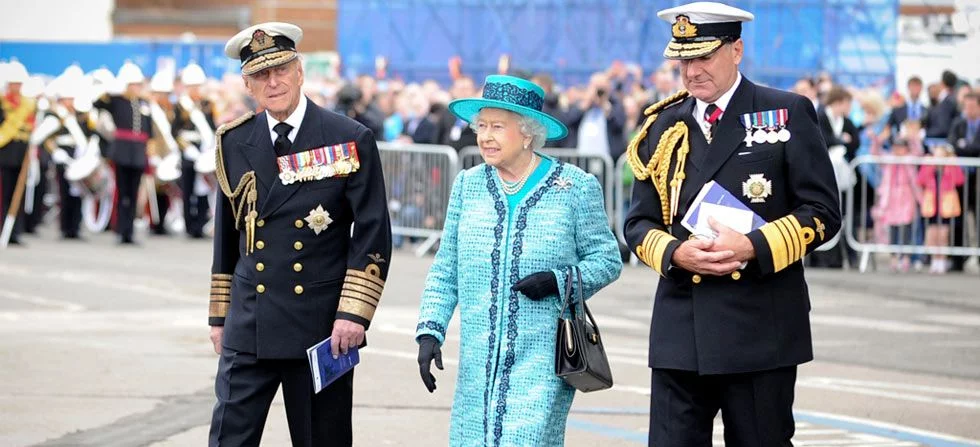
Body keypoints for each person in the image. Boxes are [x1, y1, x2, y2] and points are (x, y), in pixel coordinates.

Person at [623, 3, 840, 446]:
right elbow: (639, 222)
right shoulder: (663, 124)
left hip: (760, 324)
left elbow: (822, 211)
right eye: (684, 60)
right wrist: (674, 252)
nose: (692, 71)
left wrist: (752, 246)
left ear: (736, 50)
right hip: (681, 325)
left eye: (704, 56)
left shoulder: (785, 112)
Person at [208, 22, 392, 447]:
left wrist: (353, 314)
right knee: (228, 439)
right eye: (260, 75)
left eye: (280, 70)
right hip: (249, 320)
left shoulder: (348, 137)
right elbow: (227, 235)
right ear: (248, 85)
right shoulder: (234, 142)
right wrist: (220, 316)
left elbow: (372, 233)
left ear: (299, 71)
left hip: (320, 326)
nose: (272, 83)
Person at [415, 74, 622, 446]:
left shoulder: (574, 187)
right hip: (477, 363)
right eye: (481, 126)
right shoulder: (469, 184)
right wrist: (430, 330)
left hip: (542, 360)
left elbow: (607, 260)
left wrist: (559, 281)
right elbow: (447, 267)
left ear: (527, 133)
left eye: (497, 127)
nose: (485, 136)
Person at [94, 61, 153, 245]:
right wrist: (114, 89)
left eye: (138, 84)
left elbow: (148, 129)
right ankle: (120, 229)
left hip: (138, 152)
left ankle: (129, 231)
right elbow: (97, 103)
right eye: (133, 84)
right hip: (122, 150)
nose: (136, 88)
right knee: (122, 192)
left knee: (134, 194)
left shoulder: (144, 102)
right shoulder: (116, 100)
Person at [173, 62, 216, 239]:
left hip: (204, 151)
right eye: (192, 86)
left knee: (203, 190)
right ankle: (189, 225)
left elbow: (212, 128)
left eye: (197, 86)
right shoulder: (181, 106)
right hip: (189, 153)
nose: (195, 90)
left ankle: (200, 223)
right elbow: (175, 131)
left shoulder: (207, 104)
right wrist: (187, 149)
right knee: (188, 190)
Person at [0, 60, 37, 246]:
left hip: (21, 155)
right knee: (3, 195)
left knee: (18, 195)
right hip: (4, 154)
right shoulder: (2, 102)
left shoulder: (28, 104)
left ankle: (15, 232)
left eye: (19, 83)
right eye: (14, 83)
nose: (17, 87)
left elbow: (31, 128)